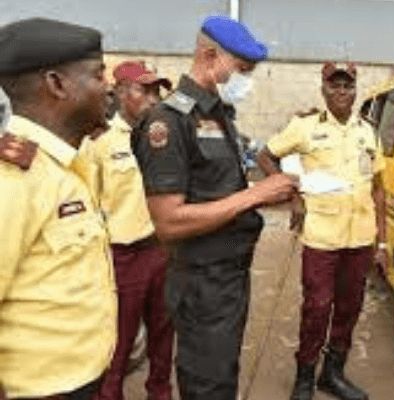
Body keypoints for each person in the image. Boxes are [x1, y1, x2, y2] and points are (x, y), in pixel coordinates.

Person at [132, 16, 298, 400]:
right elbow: (168, 222)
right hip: (201, 280)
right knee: (207, 383)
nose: (247, 81)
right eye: (242, 70)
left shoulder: (219, 115)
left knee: (222, 374)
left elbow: (218, 187)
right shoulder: (168, 122)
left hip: (228, 277)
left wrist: (269, 189)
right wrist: (257, 195)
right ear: (209, 56)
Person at [0, 18, 117, 400]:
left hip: (81, 382)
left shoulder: (65, 164)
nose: (109, 86)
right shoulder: (14, 177)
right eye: (99, 75)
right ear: (57, 84)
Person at [257, 62, 388, 400]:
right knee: (317, 308)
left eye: (347, 86)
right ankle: (304, 377)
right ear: (323, 89)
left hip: (359, 237)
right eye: (335, 85)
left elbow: (378, 188)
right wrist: (294, 195)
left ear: (355, 90)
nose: (341, 92)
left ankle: (332, 374)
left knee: (350, 307)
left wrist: (383, 241)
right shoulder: (305, 126)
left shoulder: (367, 131)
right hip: (321, 238)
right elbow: (265, 156)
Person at [88, 61, 175, 400]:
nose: (153, 99)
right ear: (121, 93)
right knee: (119, 343)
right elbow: (90, 203)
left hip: (163, 249)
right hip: (124, 256)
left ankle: (160, 393)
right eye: (144, 90)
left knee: (164, 336)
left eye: (157, 91)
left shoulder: (164, 138)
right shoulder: (100, 143)